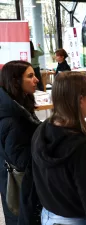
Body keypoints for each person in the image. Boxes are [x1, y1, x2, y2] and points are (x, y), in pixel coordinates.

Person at [31, 72, 86, 224]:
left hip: (49, 217)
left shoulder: (42, 130)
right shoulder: (80, 147)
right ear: (80, 100)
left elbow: (63, 181)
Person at [0, 61, 41, 225]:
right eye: (30, 76)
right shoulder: (13, 119)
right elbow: (23, 161)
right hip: (20, 186)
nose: (36, 79)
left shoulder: (18, 105)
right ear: (15, 81)